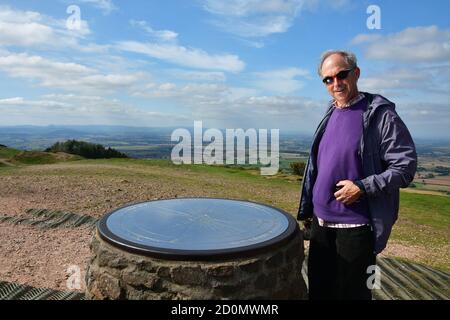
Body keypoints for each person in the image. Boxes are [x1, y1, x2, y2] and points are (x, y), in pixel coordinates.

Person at [297, 50, 417, 300]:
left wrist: (362, 187)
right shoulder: (330, 112)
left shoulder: (380, 115)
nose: (336, 83)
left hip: (356, 227)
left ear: (356, 74)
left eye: (342, 75)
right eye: (328, 79)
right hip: (321, 224)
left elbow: (405, 167)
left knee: (352, 295)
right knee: (319, 292)